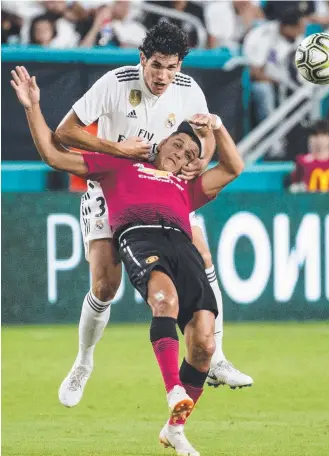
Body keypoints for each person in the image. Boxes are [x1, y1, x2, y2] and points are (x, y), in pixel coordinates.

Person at [11, 64, 245, 456]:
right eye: (179, 146)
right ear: (165, 139)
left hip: (179, 244)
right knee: (136, 294)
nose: (183, 155)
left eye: (190, 154)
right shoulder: (120, 161)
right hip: (139, 236)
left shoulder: (184, 183)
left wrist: (217, 128)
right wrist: (32, 106)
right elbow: (55, 152)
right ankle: (134, 377)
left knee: (202, 341)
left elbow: (234, 167)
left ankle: (178, 425)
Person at [54, 22, 253, 407]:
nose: (163, 76)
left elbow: (206, 134)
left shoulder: (188, 89)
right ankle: (83, 362)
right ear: (142, 58)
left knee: (204, 255)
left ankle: (218, 358)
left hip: (167, 192)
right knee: (104, 287)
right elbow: (65, 131)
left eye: (172, 67)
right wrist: (117, 149)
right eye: (157, 65)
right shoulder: (115, 83)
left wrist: (201, 161)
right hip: (113, 188)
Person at [289, 120, 329, 193]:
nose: (319, 139)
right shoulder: (302, 161)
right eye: (315, 135)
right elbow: (293, 183)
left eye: (323, 135)